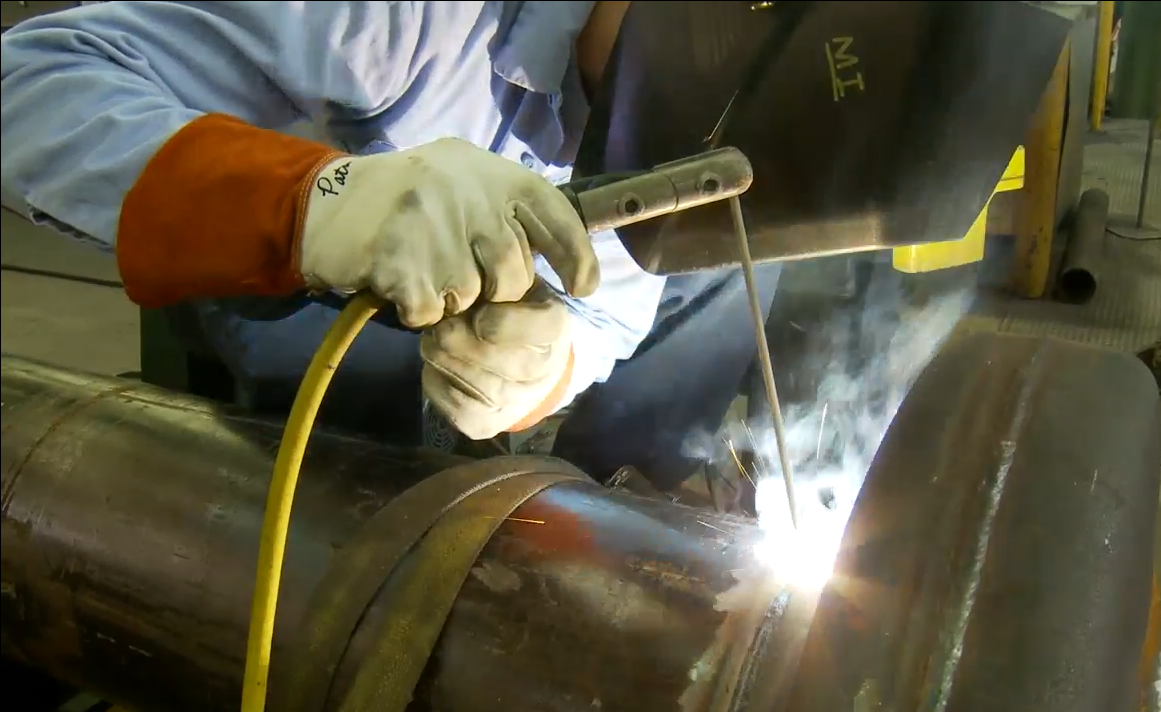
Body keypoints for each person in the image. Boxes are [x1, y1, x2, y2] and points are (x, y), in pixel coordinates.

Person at [0, 1, 782, 490]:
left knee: (729, 276)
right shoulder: (402, 14)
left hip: (452, 286)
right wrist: (319, 205)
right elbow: (28, 80)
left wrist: (539, 370)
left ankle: (599, 519)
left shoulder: (676, 113)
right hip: (284, 268)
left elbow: (609, 313)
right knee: (354, 470)